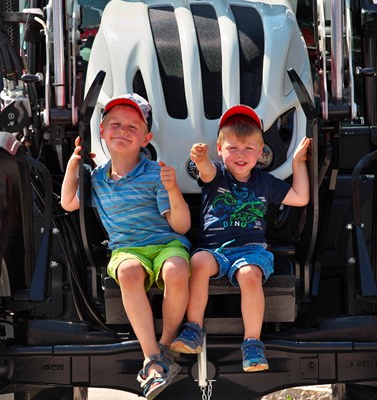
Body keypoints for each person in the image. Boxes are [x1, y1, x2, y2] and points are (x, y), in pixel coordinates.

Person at [61, 93, 191, 399]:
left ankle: (167, 345)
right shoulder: (96, 179)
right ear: (102, 132)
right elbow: (68, 203)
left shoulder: (155, 173)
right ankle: (152, 359)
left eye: (132, 126)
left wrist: (172, 189)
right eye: (115, 124)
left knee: (176, 270)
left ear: (145, 138)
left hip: (165, 243)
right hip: (127, 249)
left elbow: (181, 226)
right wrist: (72, 167)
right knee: (129, 272)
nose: (122, 130)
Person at [170, 104, 311, 372]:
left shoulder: (265, 182)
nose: (240, 155)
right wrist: (200, 158)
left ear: (260, 152)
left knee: (250, 275)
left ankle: (252, 342)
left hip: (251, 250)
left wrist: (298, 163)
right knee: (198, 262)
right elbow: (206, 170)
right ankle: (193, 329)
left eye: (248, 149)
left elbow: (301, 197)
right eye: (233, 148)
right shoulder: (216, 175)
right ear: (220, 149)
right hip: (215, 249)